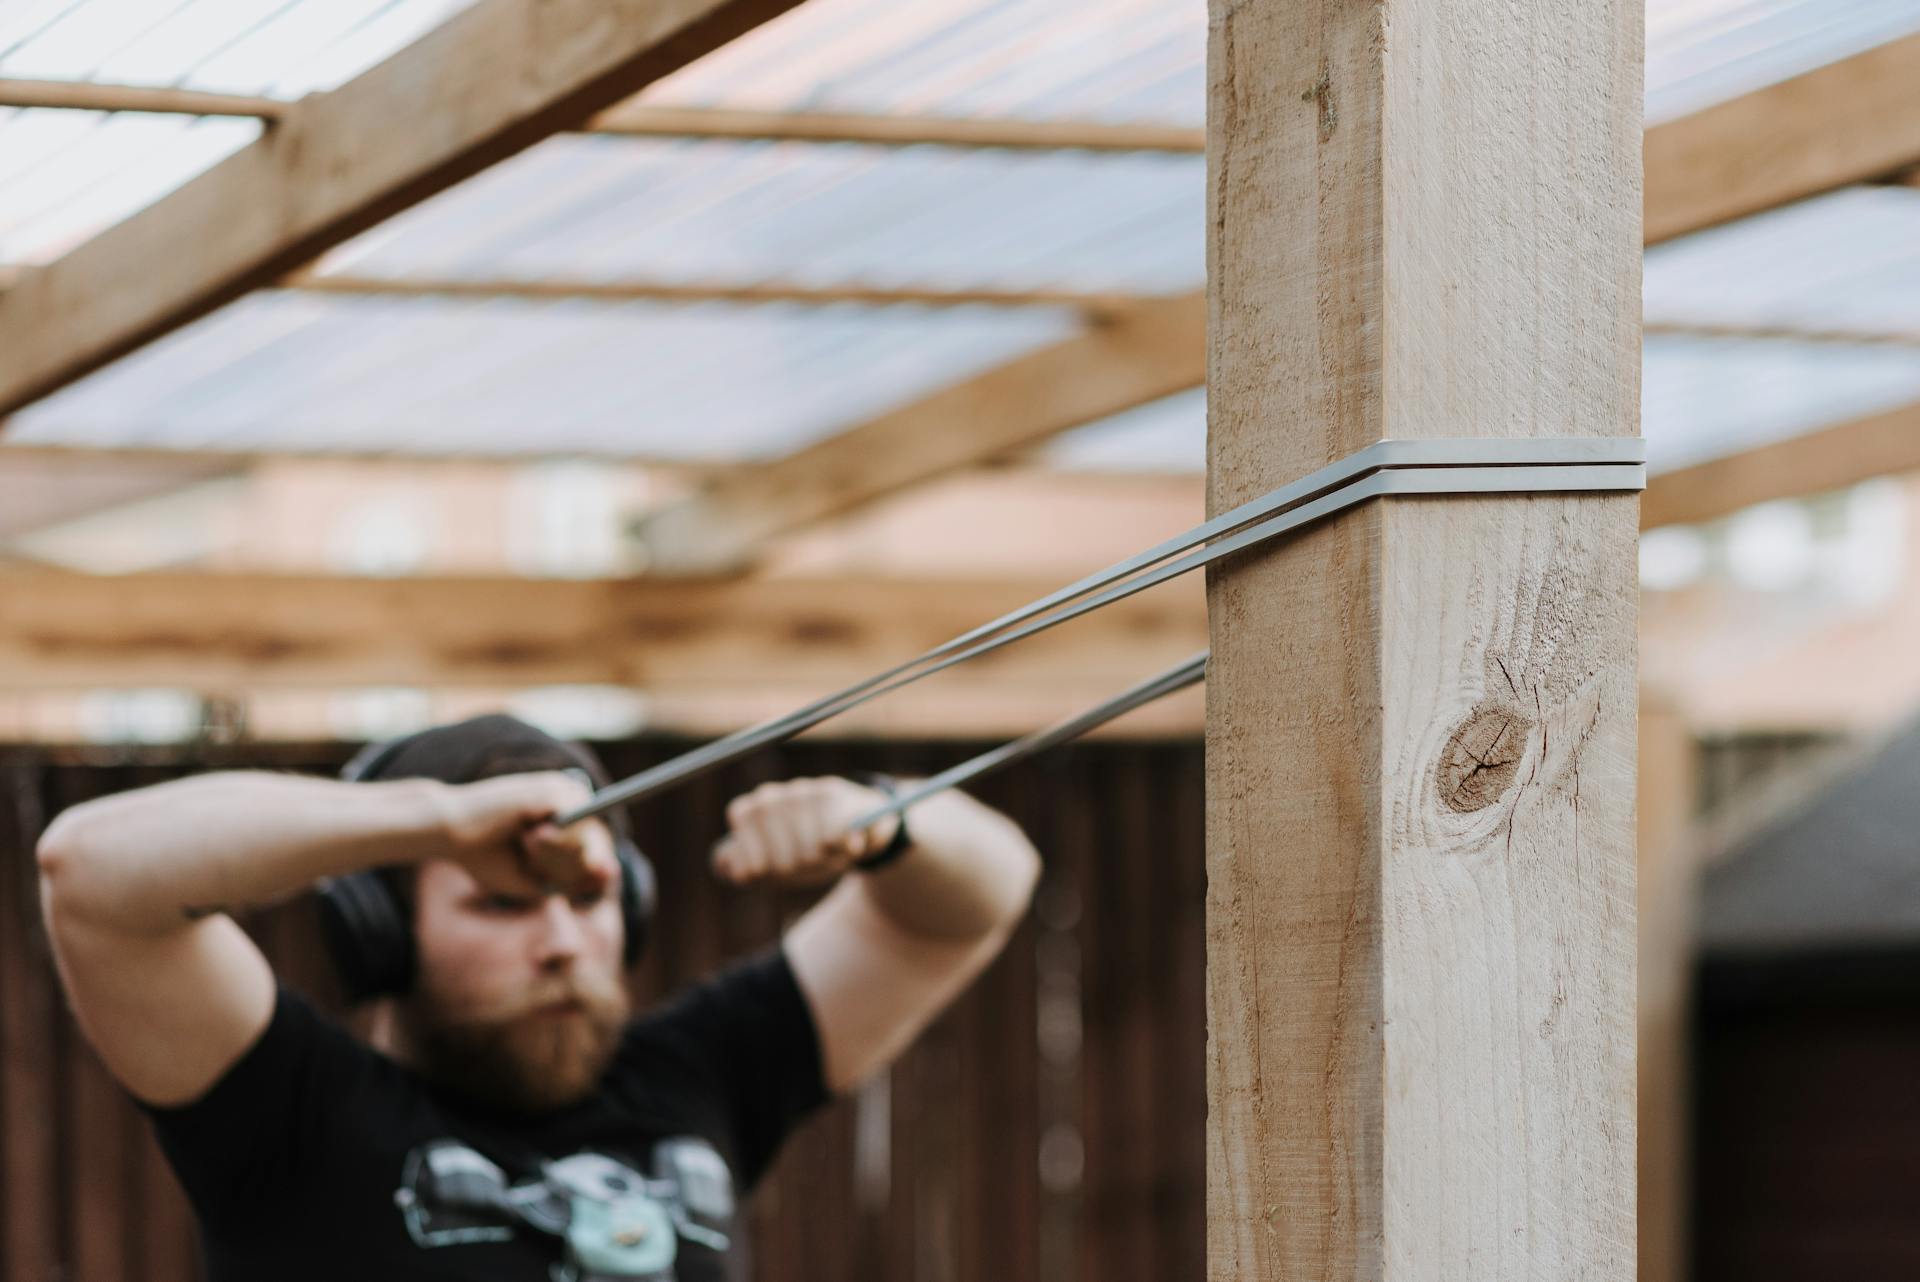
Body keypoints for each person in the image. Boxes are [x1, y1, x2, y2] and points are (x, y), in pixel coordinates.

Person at [35, 713, 1040, 1281]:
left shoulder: (697, 1075)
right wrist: (435, 820)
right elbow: (91, 870)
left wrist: (884, 824)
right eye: (501, 903)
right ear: (375, 933)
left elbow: (971, 897)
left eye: (588, 897)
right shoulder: (290, 1117)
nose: (562, 942)